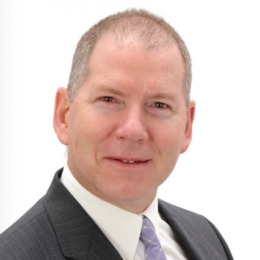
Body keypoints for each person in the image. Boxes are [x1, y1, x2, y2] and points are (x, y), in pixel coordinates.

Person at [0, 9, 233, 260]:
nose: (133, 130)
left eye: (159, 105)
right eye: (109, 99)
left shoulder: (207, 237)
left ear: (187, 126)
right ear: (64, 115)